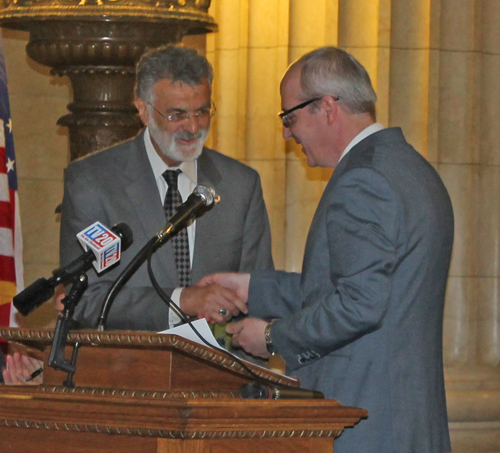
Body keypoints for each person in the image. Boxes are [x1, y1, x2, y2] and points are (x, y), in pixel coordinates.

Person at [199, 47, 454, 452]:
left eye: (290, 116)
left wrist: (271, 336)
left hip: (363, 423)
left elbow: (360, 304)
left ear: (328, 107)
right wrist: (255, 288)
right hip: (398, 419)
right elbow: (358, 287)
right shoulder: (408, 167)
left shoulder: (363, 180)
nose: (286, 132)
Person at [59, 45, 273, 331]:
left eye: (202, 112)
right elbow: (83, 299)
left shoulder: (240, 185)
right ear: (144, 111)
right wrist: (182, 301)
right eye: (177, 114)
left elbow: (259, 296)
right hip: (128, 368)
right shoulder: (93, 182)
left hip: (216, 371)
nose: (193, 127)